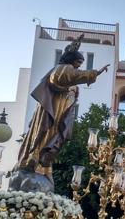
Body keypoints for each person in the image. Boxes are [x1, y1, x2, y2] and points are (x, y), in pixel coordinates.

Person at [13, 33, 109, 184]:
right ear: (71, 61)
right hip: (52, 110)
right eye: (78, 62)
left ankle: (44, 165)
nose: (79, 66)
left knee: (55, 137)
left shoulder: (66, 70)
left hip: (60, 111)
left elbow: (72, 79)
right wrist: (95, 72)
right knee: (44, 134)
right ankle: (34, 158)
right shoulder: (63, 70)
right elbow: (72, 77)